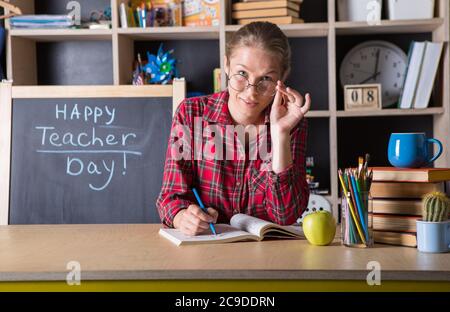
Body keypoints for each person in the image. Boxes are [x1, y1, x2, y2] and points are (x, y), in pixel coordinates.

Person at [156, 21, 311, 236]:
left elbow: (285, 214)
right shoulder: (191, 114)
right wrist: (183, 216)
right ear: (227, 65)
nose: (251, 92)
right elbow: (171, 197)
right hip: (206, 250)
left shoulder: (292, 123)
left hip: (267, 256)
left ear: (282, 79)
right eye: (242, 74)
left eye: (265, 79)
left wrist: (280, 133)